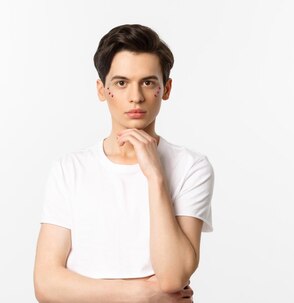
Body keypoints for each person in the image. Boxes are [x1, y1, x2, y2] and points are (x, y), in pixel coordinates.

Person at [33, 24, 214, 303]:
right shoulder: (69, 170)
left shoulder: (191, 167)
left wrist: (155, 176)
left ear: (166, 89)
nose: (135, 96)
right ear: (102, 90)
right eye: (121, 82)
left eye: (148, 82)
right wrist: (142, 293)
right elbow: (46, 285)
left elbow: (172, 276)